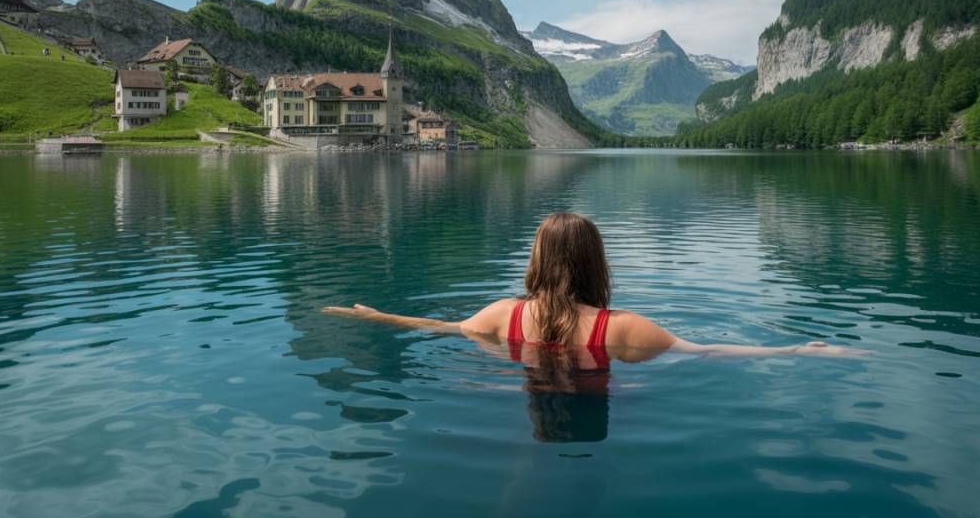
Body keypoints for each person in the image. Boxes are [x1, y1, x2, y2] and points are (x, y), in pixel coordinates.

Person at [323, 212, 866, 362]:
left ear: (537, 261)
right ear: (595, 263)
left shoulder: (501, 316)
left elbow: (439, 328)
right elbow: (711, 351)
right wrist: (797, 348)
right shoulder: (625, 330)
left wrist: (375, 318)